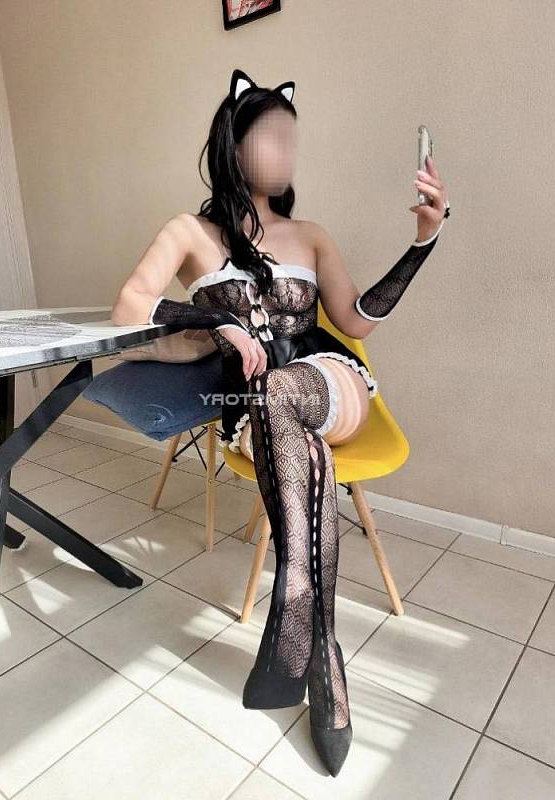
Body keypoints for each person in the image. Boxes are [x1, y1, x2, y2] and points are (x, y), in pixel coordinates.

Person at [111, 67, 450, 776]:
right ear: (232, 145)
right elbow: (129, 307)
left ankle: (295, 602)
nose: (287, 151)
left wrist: (422, 242)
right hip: (255, 412)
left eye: (293, 138)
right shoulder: (189, 232)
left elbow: (358, 319)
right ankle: (320, 648)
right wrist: (215, 321)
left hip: (329, 383)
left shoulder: (310, 234)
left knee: (282, 392)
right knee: (278, 415)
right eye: (271, 136)